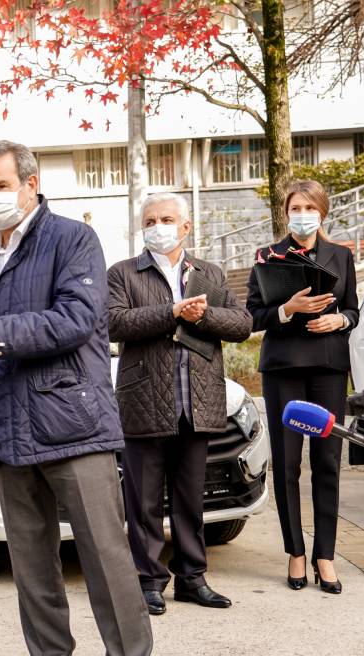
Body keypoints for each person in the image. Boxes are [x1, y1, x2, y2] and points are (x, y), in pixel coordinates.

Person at [0, 140, 155, 656]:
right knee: (31, 561)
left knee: (106, 558)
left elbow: (76, 319)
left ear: (31, 184)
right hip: (8, 429)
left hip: (73, 425)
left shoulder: (72, 239)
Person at [106, 193, 253, 616]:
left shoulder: (209, 272)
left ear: (186, 227)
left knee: (192, 499)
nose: (158, 226)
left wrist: (200, 317)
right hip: (143, 401)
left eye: (167, 218)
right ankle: (148, 580)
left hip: (198, 401)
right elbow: (115, 322)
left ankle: (192, 578)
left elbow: (242, 324)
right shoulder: (122, 273)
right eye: (151, 220)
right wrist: (172, 312)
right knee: (144, 500)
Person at [247, 180, 359, 594]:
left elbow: (353, 310)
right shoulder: (267, 256)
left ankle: (324, 556)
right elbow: (254, 316)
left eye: (310, 207)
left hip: (329, 367)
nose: (302, 214)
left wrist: (339, 321)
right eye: (295, 207)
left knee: (328, 462)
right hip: (284, 368)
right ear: (286, 212)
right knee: (288, 463)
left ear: (322, 212)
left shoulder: (341, 256)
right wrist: (286, 309)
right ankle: (295, 551)